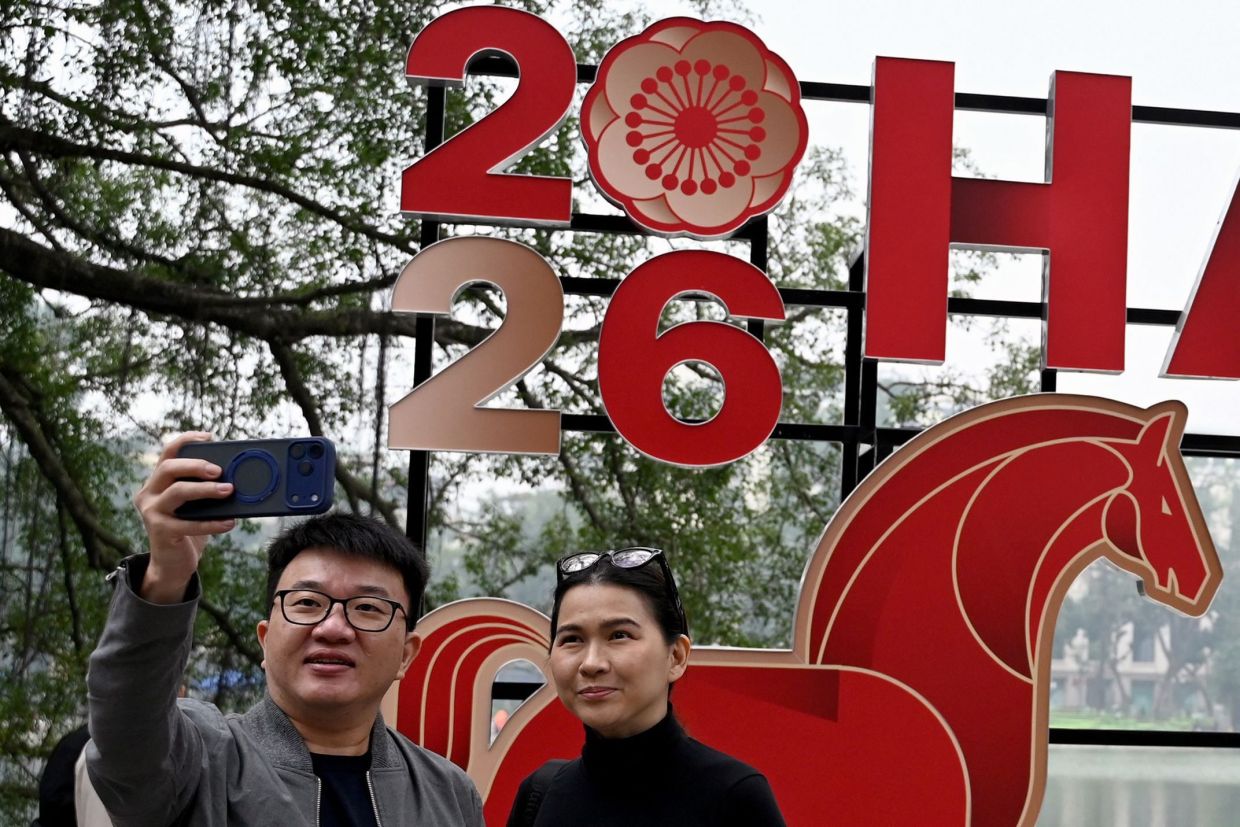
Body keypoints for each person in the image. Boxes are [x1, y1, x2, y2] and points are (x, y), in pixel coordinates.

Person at [85, 432, 484, 826]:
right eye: (308, 603)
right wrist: (166, 575)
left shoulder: (447, 794)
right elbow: (128, 736)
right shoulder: (201, 759)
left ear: (405, 655)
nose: (333, 627)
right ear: (264, 638)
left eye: (367, 608)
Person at [507, 547, 786, 826]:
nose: (591, 663)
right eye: (572, 639)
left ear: (676, 656)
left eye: (619, 635)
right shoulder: (539, 795)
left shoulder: (734, 798)